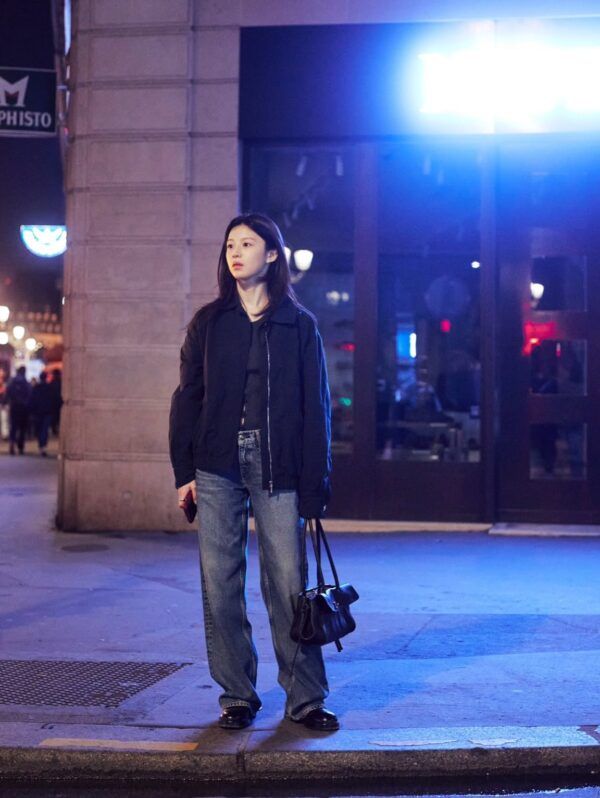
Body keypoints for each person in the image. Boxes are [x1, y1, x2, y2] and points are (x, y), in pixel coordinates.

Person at [169, 213, 337, 732]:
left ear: (272, 254)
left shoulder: (298, 325)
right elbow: (187, 398)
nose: (236, 252)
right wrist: (183, 471)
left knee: (287, 583)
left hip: (278, 463)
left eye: (247, 243)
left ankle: (305, 698)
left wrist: (315, 484)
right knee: (220, 583)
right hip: (216, 463)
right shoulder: (209, 323)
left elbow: (317, 409)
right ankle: (236, 694)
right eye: (229, 245)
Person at [6, 366, 31, 455]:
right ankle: (20, 447)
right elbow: (29, 394)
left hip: (14, 406)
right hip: (23, 407)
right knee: (22, 428)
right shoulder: (26, 382)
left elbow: (8, 392)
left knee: (13, 426)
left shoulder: (12, 381)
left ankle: (12, 443)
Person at [29, 371, 54, 456]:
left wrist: (32, 410)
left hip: (38, 412)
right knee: (44, 430)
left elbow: (32, 399)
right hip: (47, 411)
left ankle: (41, 445)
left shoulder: (36, 387)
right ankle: (43, 446)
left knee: (40, 429)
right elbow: (52, 399)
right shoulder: (49, 387)